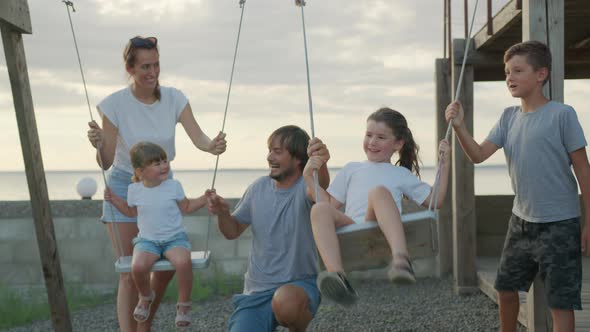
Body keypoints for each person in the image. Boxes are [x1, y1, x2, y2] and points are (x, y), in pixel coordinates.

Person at [445, 40, 590, 332]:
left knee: (561, 303)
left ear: (541, 74)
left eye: (518, 71)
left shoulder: (563, 115)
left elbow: (584, 171)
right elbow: (478, 155)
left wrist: (589, 222)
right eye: (507, 71)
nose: (509, 77)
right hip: (520, 222)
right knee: (506, 290)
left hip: (560, 224)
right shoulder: (508, 118)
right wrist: (460, 126)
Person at [87, 36, 226, 332]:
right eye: (145, 66)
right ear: (130, 68)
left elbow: (199, 137)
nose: (153, 72)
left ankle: (144, 324)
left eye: (156, 64)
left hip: (165, 184)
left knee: (164, 269)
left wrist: (212, 145)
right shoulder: (114, 105)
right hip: (126, 184)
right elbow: (106, 162)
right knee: (129, 272)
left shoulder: (175, 98)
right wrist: (99, 144)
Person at [303, 107, 450, 306]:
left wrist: (445, 163)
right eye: (369, 135)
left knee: (378, 192)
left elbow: (436, 200)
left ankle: (401, 259)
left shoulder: (400, 174)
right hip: (352, 226)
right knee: (318, 209)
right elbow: (329, 204)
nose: (372, 142)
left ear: (398, 143)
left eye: (381, 137)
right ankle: (338, 276)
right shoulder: (351, 169)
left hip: (382, 228)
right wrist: (308, 179)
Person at [207, 125, 330, 332]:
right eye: (270, 150)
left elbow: (321, 185)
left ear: (298, 159)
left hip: (299, 286)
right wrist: (222, 213)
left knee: (287, 304)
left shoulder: (305, 187)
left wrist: (321, 160)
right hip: (255, 293)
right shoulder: (257, 188)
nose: (269, 156)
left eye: (277, 151)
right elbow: (232, 231)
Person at [104, 142, 206, 328]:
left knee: (183, 262)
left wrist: (205, 198)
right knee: (138, 266)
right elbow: (130, 212)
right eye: (156, 163)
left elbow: (187, 207)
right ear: (140, 171)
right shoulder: (134, 190)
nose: (164, 165)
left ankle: (183, 305)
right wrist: (114, 200)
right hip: (147, 241)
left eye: (165, 161)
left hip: (174, 238)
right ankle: (145, 296)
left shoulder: (173, 186)